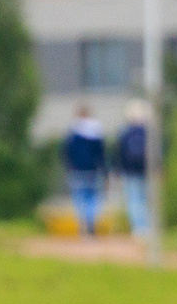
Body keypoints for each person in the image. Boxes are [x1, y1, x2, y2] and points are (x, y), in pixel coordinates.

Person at [62, 106, 108, 236]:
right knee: (92, 198)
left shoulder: (72, 134)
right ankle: (91, 222)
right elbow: (102, 154)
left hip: (76, 170)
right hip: (93, 170)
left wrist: (68, 167)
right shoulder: (96, 133)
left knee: (79, 198)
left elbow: (66, 153)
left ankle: (82, 224)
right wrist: (104, 171)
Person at [115, 100, 152, 237]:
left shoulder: (125, 133)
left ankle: (138, 229)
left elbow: (119, 154)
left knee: (134, 201)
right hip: (146, 171)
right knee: (147, 200)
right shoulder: (149, 132)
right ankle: (149, 228)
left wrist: (118, 171)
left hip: (129, 172)